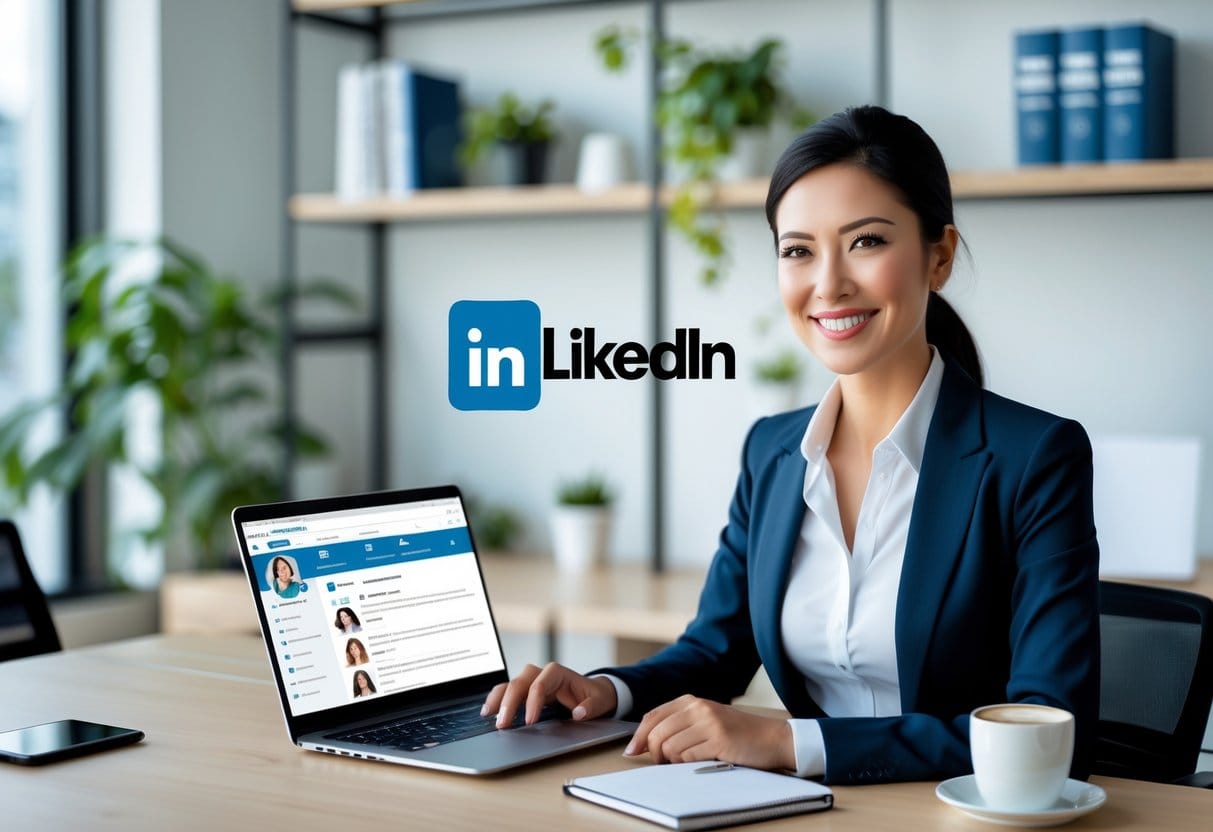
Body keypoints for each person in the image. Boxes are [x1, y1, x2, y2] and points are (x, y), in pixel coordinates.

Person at [482, 106, 1100, 786]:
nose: (827, 283)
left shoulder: (1034, 457)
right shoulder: (772, 453)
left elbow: (1049, 725)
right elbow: (712, 653)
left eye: (866, 241)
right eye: (798, 250)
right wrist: (606, 692)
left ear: (939, 256)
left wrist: (791, 742)